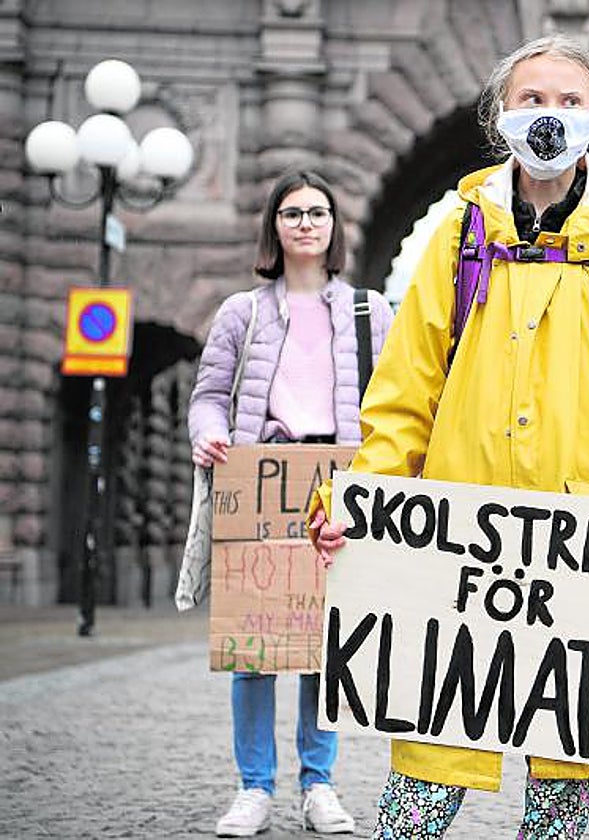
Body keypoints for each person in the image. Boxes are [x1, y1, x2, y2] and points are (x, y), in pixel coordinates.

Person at [307, 34, 589, 840]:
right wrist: (360, 500)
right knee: (425, 773)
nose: (550, 116)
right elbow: (404, 393)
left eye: (570, 102)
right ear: (501, 117)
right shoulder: (459, 235)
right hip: (452, 547)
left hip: (578, 550)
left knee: (561, 776)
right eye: (533, 99)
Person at [190, 170, 394, 837]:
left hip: (336, 483)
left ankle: (319, 784)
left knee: (322, 644)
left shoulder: (370, 312)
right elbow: (210, 396)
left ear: (335, 227)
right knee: (253, 646)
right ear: (274, 227)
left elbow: (391, 406)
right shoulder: (240, 313)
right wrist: (210, 435)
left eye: (317, 212)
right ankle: (253, 787)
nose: (305, 223)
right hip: (259, 477)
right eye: (291, 212)